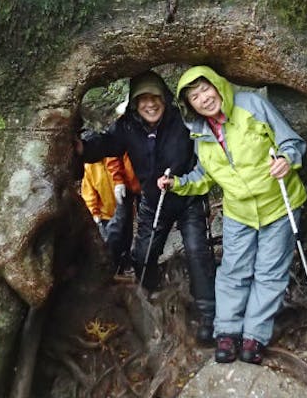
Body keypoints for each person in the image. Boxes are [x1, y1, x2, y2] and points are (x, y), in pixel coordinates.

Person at [157, 65, 307, 365]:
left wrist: (286, 160)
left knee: (269, 273)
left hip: (279, 203)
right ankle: (227, 332)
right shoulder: (200, 133)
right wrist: (178, 184)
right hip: (238, 211)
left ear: (217, 85)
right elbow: (205, 175)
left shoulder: (252, 105)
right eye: (194, 96)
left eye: (205, 89)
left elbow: (291, 142)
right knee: (233, 272)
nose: (203, 98)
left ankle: (254, 335)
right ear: (190, 105)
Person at [77, 70, 217, 343]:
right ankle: (149, 303)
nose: (149, 104)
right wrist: (81, 148)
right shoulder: (128, 126)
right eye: (142, 99)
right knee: (142, 255)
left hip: (187, 198)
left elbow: (206, 147)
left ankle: (208, 318)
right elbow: (105, 143)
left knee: (198, 252)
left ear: (164, 98)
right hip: (154, 203)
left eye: (155, 97)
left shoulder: (181, 120)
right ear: (134, 103)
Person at [104, 153, 140, 274]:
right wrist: (118, 180)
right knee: (119, 223)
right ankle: (109, 263)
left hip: (150, 183)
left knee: (147, 227)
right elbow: (114, 151)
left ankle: (138, 263)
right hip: (127, 182)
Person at [80, 158, 118, 240]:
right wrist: (94, 213)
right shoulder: (89, 166)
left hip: (123, 211)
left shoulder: (114, 158)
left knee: (125, 241)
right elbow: (89, 193)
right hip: (105, 217)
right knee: (110, 244)